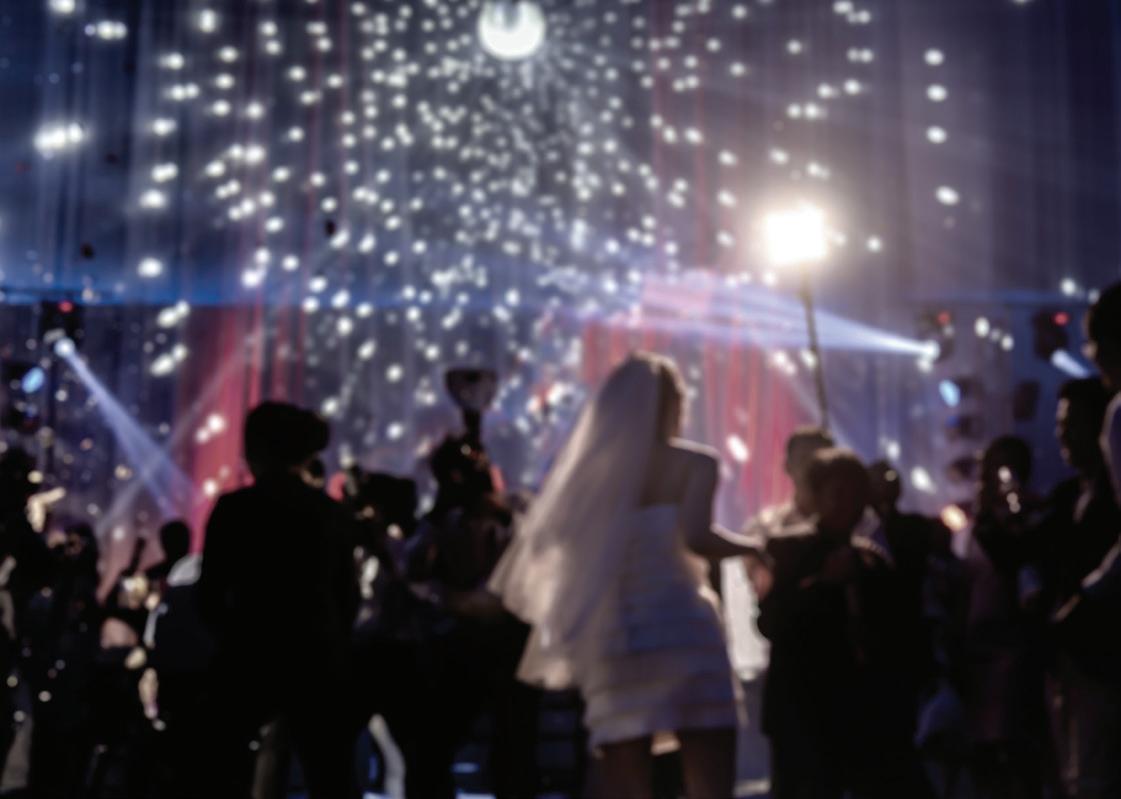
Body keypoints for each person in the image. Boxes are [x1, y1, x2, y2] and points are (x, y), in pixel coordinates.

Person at [489, 352, 757, 799]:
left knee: (627, 783)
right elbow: (697, 537)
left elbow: (554, 547)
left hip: (617, 636)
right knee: (710, 778)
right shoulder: (695, 463)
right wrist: (754, 547)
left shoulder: (588, 479)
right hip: (681, 626)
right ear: (674, 405)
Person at [196, 402, 360, 799]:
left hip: (248, 655)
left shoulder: (235, 509)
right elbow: (347, 597)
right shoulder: (330, 513)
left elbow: (210, 595)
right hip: (316, 657)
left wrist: (230, 638)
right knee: (330, 775)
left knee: (224, 773)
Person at [757, 448, 906, 799]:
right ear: (817, 497)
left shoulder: (872, 560)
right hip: (801, 709)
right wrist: (822, 583)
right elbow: (770, 622)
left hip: (857, 709)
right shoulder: (788, 550)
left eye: (855, 496)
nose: (847, 505)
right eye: (838, 494)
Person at [1032, 378, 1121, 799]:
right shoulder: (1067, 496)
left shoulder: (1110, 502)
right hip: (1071, 665)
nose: (1061, 434)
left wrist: (1082, 602)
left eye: (1071, 423)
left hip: (1104, 662)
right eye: (1059, 424)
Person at [956, 435, 1048, 799]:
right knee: (985, 761)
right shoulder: (975, 527)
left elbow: (1015, 563)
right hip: (978, 653)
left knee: (1018, 755)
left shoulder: (1029, 517)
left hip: (1016, 650)